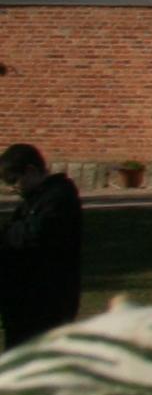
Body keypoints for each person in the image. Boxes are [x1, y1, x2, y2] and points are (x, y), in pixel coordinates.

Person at [0, 146, 83, 347]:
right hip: (24, 300)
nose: (13, 188)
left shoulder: (58, 198)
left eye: (14, 180)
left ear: (30, 171)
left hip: (46, 300)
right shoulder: (34, 201)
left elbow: (33, 235)